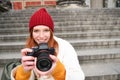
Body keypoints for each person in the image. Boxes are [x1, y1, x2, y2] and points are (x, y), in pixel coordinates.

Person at [3, 8, 85, 80]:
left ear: (51, 32)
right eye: (36, 31)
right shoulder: (31, 47)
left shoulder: (65, 47)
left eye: (46, 30)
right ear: (31, 33)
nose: (41, 36)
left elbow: (79, 77)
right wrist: (24, 71)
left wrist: (57, 70)